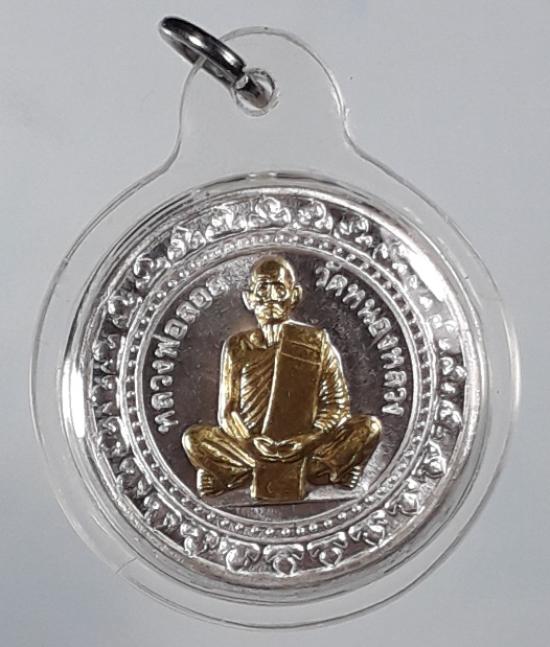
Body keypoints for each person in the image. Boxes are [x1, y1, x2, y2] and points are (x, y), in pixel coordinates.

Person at [182, 256, 381, 502]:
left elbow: (337, 405)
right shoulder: (237, 346)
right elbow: (228, 412)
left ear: (294, 295)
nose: (271, 298)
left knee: (368, 428)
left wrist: (309, 439)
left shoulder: (315, 342)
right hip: (251, 449)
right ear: (249, 298)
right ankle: (328, 471)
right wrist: (250, 442)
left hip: (307, 448)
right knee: (194, 439)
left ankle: (230, 474)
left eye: (279, 288)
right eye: (262, 289)